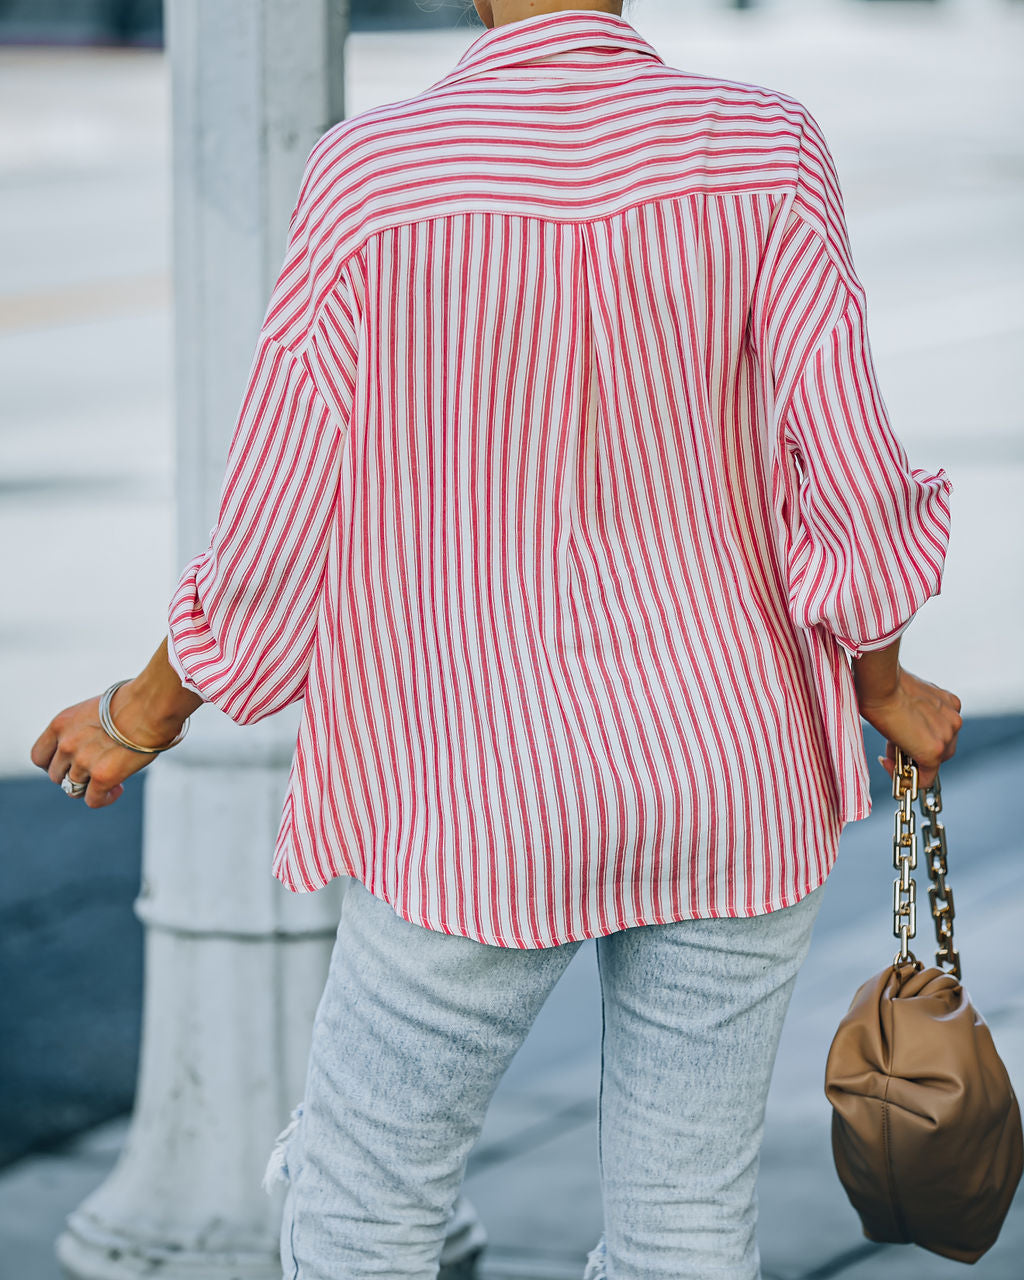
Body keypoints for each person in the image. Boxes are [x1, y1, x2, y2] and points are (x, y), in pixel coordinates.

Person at [30, 1, 963, 1276]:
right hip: (728, 764)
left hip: (478, 790)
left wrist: (142, 713)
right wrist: (885, 682)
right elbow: (849, 479)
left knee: (365, 1198)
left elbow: (273, 527)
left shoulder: (376, 174)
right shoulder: (763, 148)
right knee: (685, 1222)